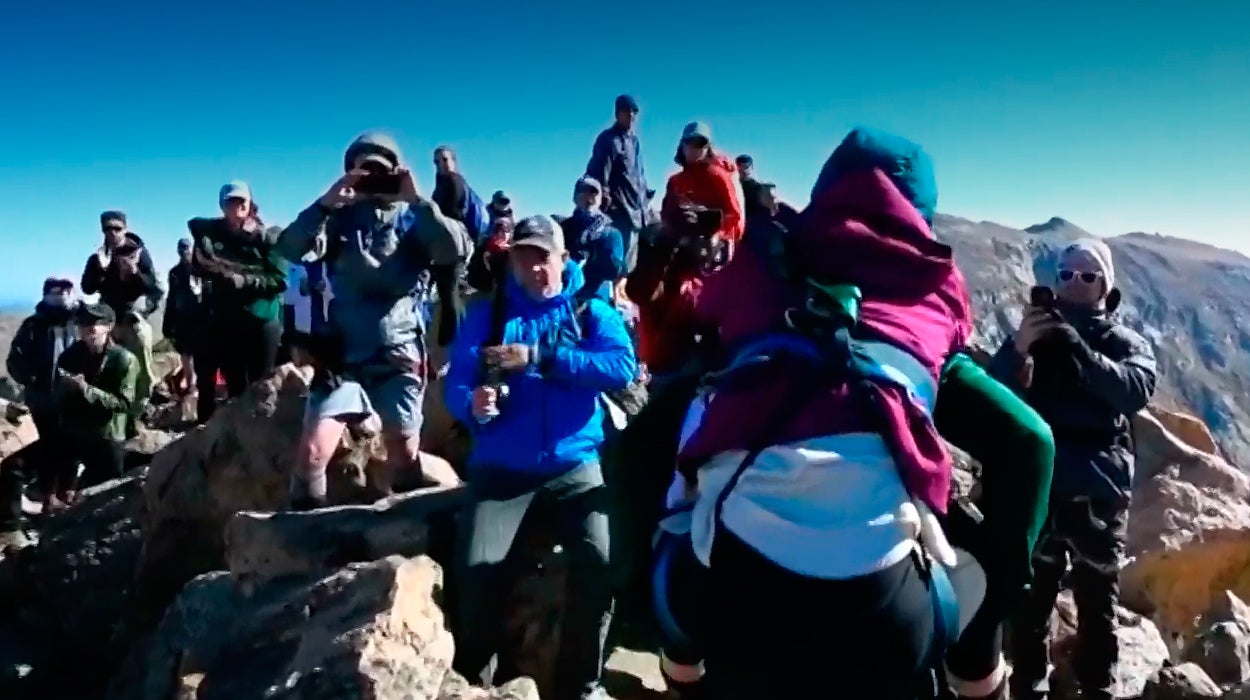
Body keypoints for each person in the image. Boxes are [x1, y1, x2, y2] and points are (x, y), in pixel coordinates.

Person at [667, 128, 991, 699]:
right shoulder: (940, 283)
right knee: (1025, 448)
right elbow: (953, 339)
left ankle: (677, 660)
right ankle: (979, 668)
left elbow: (700, 310)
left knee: (654, 465)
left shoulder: (762, 256)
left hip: (740, 592)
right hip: (889, 607)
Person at [445, 215, 636, 700]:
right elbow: (458, 381)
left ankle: (581, 684)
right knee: (477, 568)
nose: (533, 267)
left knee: (599, 561)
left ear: (563, 259)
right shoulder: (488, 315)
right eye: (523, 257)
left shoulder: (589, 310)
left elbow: (621, 366)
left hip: (574, 466)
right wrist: (473, 403)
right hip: (502, 469)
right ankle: (476, 683)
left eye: (542, 257)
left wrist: (540, 358)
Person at [992, 239, 1157, 700]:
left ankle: (1097, 686)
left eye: (1088, 275)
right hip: (1041, 485)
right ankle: (1029, 685)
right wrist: (1019, 349)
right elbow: (994, 394)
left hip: (1096, 491)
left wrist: (1079, 350)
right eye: (1065, 274)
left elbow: (1133, 390)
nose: (1075, 283)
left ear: (1106, 286)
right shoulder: (1035, 335)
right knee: (1031, 599)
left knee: (1097, 600)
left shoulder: (1125, 343)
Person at [273, 131, 471, 493]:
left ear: (397, 172)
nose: (373, 179)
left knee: (403, 451)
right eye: (364, 171)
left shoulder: (414, 218)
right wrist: (325, 204)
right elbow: (289, 249)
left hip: (398, 353)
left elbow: (454, 250)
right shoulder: (338, 219)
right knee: (313, 453)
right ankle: (303, 523)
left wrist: (417, 201)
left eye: (381, 171)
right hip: (342, 355)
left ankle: (411, 520)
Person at [188, 181, 288, 403]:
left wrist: (243, 281)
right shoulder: (214, 234)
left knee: (262, 384)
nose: (238, 206)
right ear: (222, 206)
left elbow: (279, 280)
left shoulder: (267, 237)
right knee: (235, 386)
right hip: (227, 321)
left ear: (251, 204)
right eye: (231, 202)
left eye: (242, 201)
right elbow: (195, 225)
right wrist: (201, 249)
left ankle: (263, 423)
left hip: (262, 319)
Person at [1, 275, 81, 534]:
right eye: (56, 291)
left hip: (75, 400)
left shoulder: (82, 321)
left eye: (66, 290)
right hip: (42, 401)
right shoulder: (33, 325)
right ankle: (48, 499)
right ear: (47, 294)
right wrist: (31, 379)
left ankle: (67, 498)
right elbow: (15, 359)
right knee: (46, 451)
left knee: (71, 449)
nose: (62, 295)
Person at [80, 210, 162, 437]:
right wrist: (101, 268)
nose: (112, 233)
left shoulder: (139, 253)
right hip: (108, 322)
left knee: (142, 368)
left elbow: (152, 286)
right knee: (109, 368)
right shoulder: (98, 257)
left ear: (125, 229)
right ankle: (113, 417)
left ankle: (136, 415)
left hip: (131, 318)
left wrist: (134, 271)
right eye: (107, 229)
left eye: (117, 228)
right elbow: (87, 287)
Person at [47, 303, 138, 503]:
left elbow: (123, 403)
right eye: (83, 323)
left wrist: (86, 389)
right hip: (75, 432)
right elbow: (58, 394)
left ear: (109, 326)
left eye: (95, 323)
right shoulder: (70, 356)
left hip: (107, 434)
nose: (89, 327)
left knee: (106, 494)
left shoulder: (123, 359)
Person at [289, 331, 379, 509]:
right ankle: (310, 520)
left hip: (377, 364)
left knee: (403, 453)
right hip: (325, 376)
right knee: (311, 458)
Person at [586, 94, 652, 274]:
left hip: (637, 214)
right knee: (614, 266)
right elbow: (597, 175)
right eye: (626, 110)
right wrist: (604, 205)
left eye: (634, 111)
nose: (630, 115)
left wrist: (645, 199)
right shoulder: (608, 140)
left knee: (628, 269)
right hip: (618, 214)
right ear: (617, 113)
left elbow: (638, 176)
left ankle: (622, 289)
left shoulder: (635, 142)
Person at [560, 176, 625, 305]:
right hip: (564, 297)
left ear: (600, 200)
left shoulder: (611, 233)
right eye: (583, 191)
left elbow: (616, 272)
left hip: (596, 300)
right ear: (574, 198)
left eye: (593, 193)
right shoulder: (563, 229)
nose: (589, 197)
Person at [163, 239, 204, 399]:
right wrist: (167, 322)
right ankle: (191, 385)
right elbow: (171, 298)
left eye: (187, 248)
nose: (184, 251)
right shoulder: (175, 273)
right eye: (182, 248)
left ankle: (200, 385)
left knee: (200, 353)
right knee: (186, 354)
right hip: (182, 318)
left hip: (200, 317)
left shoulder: (201, 269)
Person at [735, 154, 766, 221]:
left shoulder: (759, 187)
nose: (744, 171)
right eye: (740, 168)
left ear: (751, 168)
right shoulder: (733, 186)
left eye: (746, 167)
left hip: (755, 221)